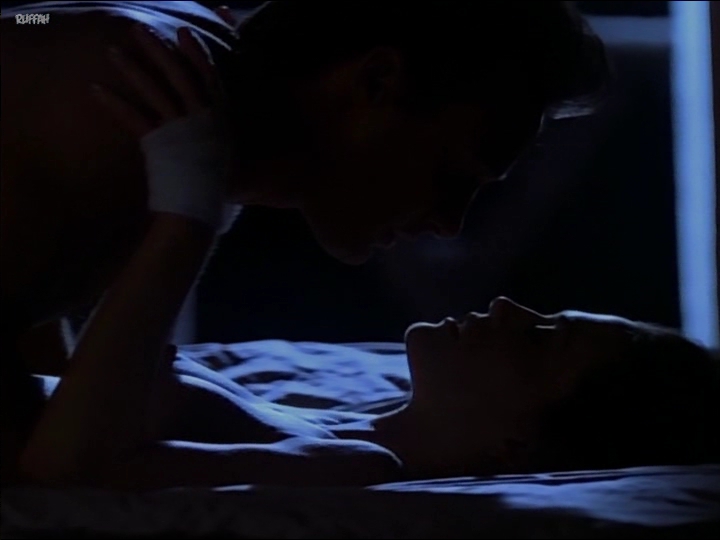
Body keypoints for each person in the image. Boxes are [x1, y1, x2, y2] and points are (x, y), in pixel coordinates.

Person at [1, 2, 611, 483]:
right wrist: (190, 210)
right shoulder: (129, 101)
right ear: (376, 81)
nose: (449, 223)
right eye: (454, 175)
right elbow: (48, 464)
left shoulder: (172, 75)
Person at [10, 296, 720, 489]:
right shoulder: (332, 417)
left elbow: (76, 465)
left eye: (541, 340)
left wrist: (183, 216)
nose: (507, 307)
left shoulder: (353, 463)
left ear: (520, 443)